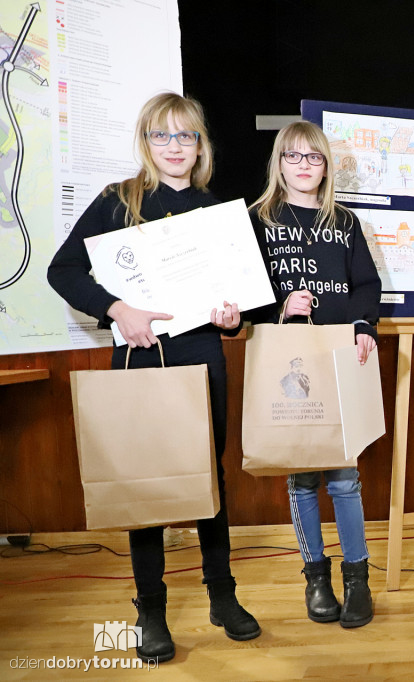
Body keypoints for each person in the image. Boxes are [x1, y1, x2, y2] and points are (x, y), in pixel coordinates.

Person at [47, 92, 260, 663]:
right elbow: (61, 269)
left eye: (185, 136)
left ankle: (223, 596)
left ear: (199, 146)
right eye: (162, 136)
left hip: (202, 358)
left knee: (207, 477)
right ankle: (152, 609)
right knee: (144, 483)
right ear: (146, 143)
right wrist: (118, 309)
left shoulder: (218, 213)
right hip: (140, 356)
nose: (174, 147)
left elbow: (237, 309)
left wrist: (233, 320)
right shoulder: (118, 201)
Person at [248, 121, 381, 628]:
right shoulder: (259, 220)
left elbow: (366, 284)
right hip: (288, 358)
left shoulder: (343, 221)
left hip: (338, 356)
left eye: (315, 157)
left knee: (345, 478)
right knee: (302, 477)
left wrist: (364, 325)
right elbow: (244, 294)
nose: (304, 165)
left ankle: (357, 579)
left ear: (326, 167)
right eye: (294, 156)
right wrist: (280, 305)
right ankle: (316, 579)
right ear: (278, 163)